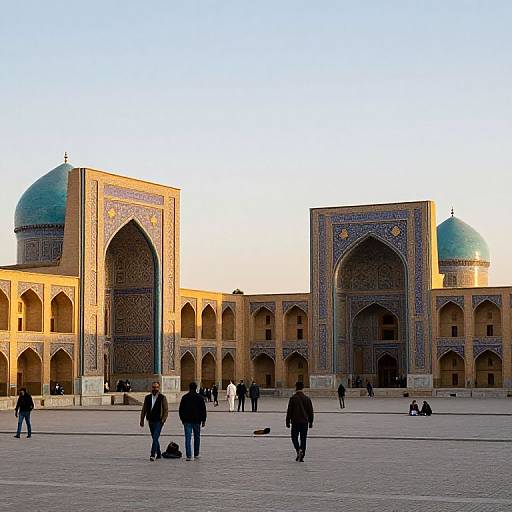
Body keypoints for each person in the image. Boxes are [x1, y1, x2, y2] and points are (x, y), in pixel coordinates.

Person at [139, 381, 169, 461]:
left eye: (156, 387)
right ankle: (159, 453)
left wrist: (163, 420)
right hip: (151, 420)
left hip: (159, 421)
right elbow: (144, 409)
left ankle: (153, 454)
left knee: (155, 437)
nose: (155, 389)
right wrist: (142, 419)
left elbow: (166, 410)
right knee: (154, 437)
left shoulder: (162, 398)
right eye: (153, 387)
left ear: (159, 388)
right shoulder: (148, 397)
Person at [179, 382, 207, 461]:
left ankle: (188, 456)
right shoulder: (200, 398)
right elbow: (203, 410)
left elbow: (181, 410)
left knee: (188, 438)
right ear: (196, 388)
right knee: (197, 437)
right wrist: (203, 420)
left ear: (189, 388)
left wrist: (182, 419)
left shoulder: (185, 397)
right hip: (197, 421)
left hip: (187, 421)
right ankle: (196, 454)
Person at [286, 381, 314, 462]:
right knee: (303, 439)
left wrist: (287, 421)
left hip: (295, 421)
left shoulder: (293, 398)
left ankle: (298, 450)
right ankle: (302, 456)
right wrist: (311, 422)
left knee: (294, 437)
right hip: (304, 422)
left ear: (296, 388)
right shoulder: (307, 399)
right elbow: (310, 412)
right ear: (303, 388)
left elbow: (289, 411)